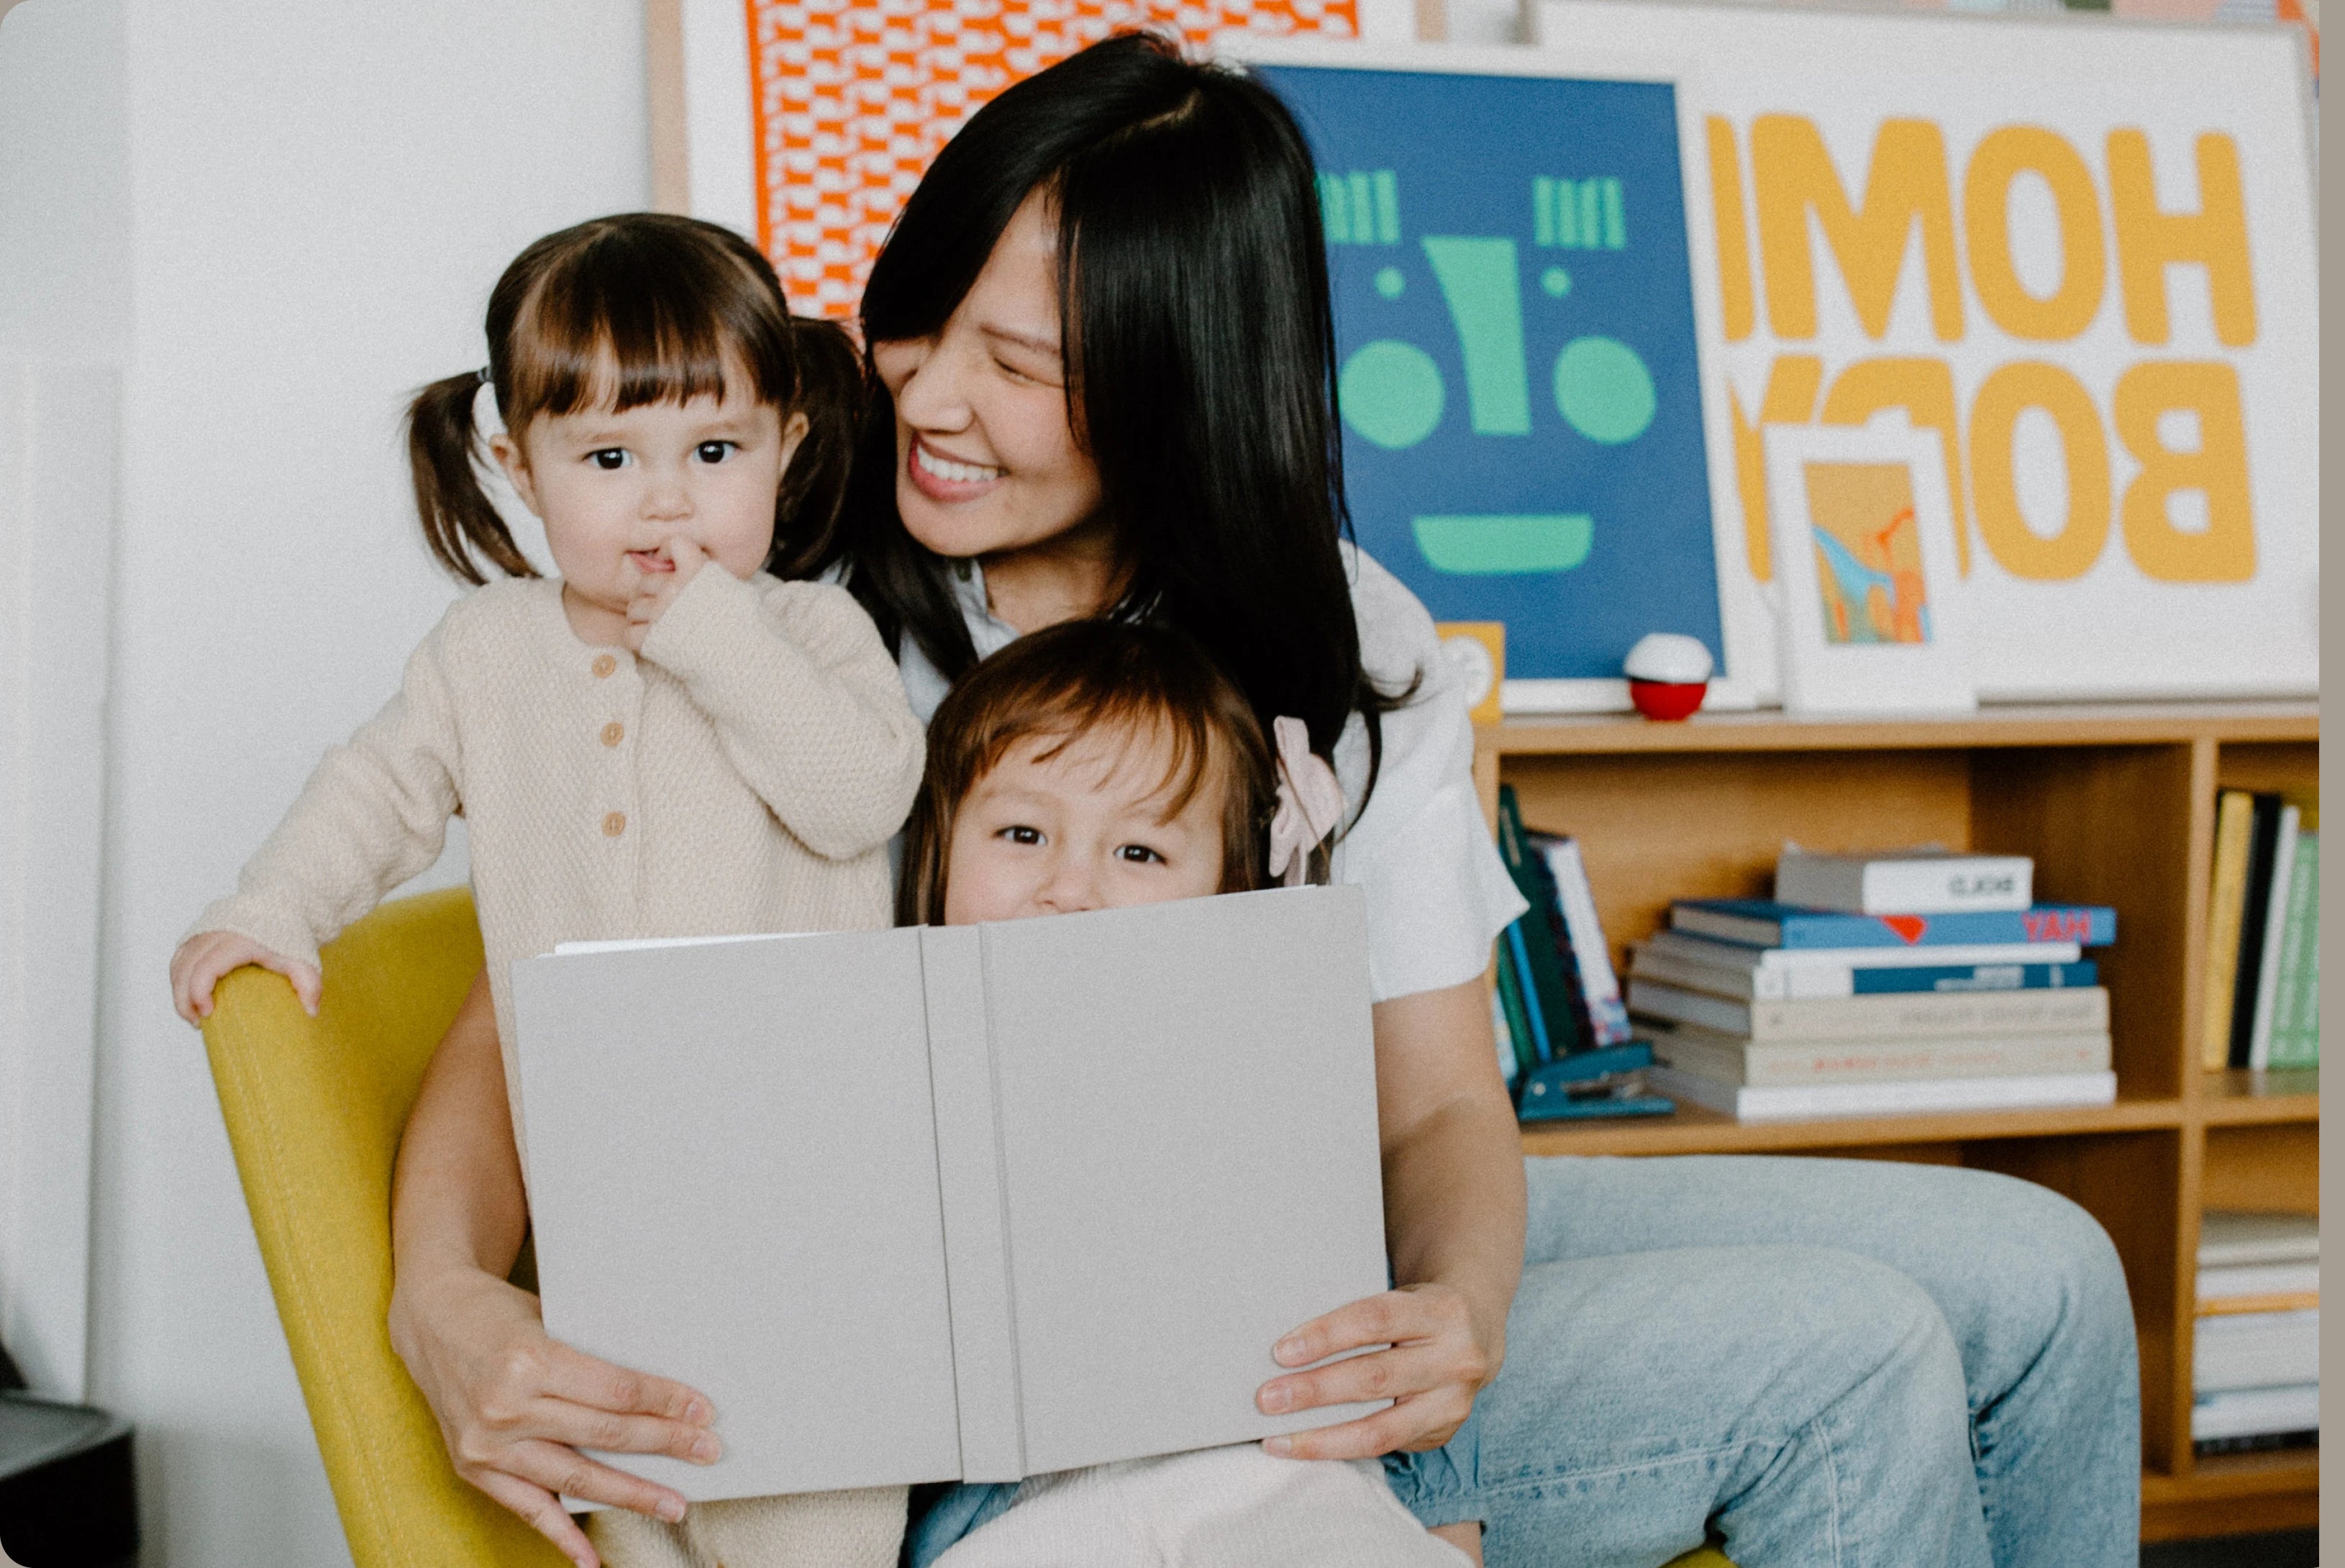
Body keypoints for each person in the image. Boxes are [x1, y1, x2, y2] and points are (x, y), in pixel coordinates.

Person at [385, 34, 2141, 1568]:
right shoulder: (780, 609)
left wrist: (1454, 1311)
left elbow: (1444, 1105)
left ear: (1175, 397)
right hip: (1021, 1385)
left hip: (1313, 1258)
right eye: (924, 318)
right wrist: (443, 1293)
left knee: (2048, 1275)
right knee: (1851, 1344)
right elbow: (538, 990)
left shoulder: (1335, 628)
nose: (928, 395)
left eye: (1024, 366)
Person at [170, 213, 926, 1568]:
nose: (667, 501)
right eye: (609, 459)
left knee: (816, 1510)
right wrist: (271, 904)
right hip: (601, 1198)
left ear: (788, 445)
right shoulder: (484, 653)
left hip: (809, 1186)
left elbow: (859, 789)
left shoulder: (810, 632)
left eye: (714, 453)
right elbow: (375, 792)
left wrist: (711, 631)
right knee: (632, 1479)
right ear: (520, 467)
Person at [892, 614, 1470, 1568]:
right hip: (1012, 1506)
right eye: (1023, 833)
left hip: (1281, 1469)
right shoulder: (890, 1054)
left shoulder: (1271, 1067)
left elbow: (1386, 1305)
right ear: (940, 851)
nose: (1069, 890)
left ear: (1226, 896)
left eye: (1139, 854)